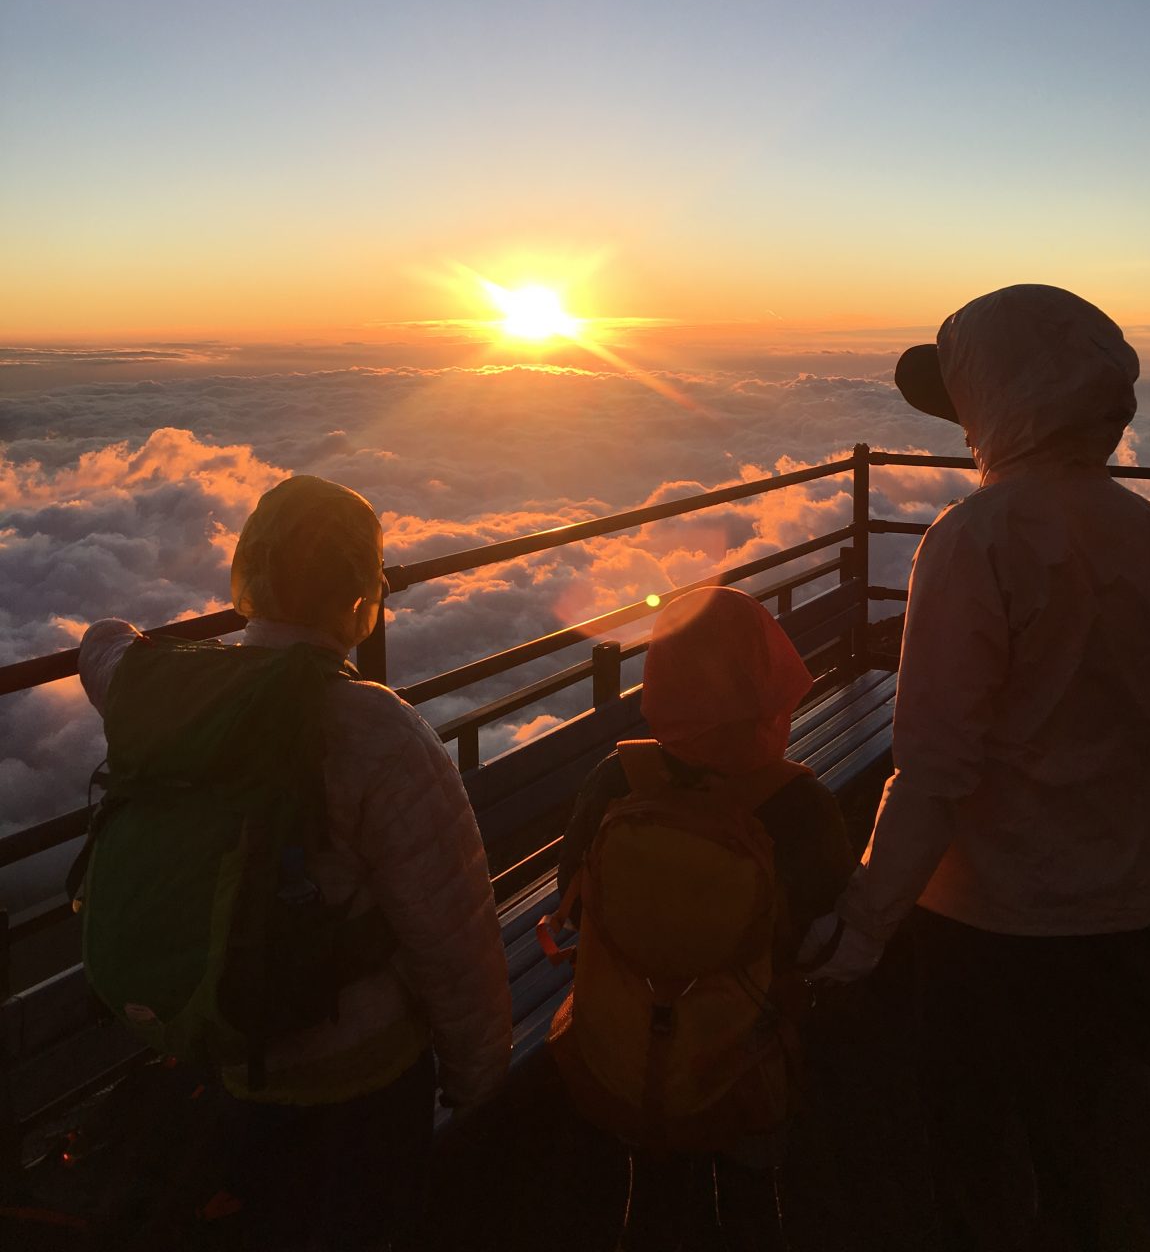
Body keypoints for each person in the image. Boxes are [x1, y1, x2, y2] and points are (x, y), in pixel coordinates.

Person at [803, 285, 1150, 1251]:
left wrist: (860, 930)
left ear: (1005, 398)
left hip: (989, 919)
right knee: (1077, 1140)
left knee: (972, 1144)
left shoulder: (975, 539)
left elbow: (934, 770)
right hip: (1118, 904)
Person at [78, 474, 511, 1252]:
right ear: (360, 596)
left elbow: (102, 646)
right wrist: (477, 1080)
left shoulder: (172, 696)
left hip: (220, 1054)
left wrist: (154, 649)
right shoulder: (380, 731)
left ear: (250, 573)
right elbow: (453, 937)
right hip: (360, 1087)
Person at [548, 586, 851, 1251]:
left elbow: (572, 900)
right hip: (744, 1065)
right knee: (752, 1206)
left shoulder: (616, 778)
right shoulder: (800, 806)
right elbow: (830, 938)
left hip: (628, 1055)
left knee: (654, 1201)